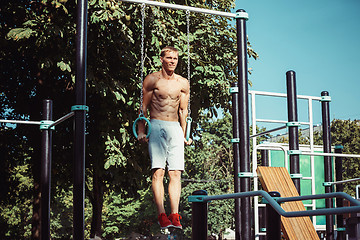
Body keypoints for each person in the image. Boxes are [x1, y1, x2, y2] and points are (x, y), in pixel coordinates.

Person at [137, 46, 192, 229]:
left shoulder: (182, 83)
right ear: (161, 59)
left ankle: (175, 215)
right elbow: (143, 108)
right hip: (156, 124)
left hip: (175, 127)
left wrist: (184, 135)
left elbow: (183, 110)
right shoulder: (152, 79)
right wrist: (141, 130)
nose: (172, 61)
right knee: (158, 171)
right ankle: (161, 214)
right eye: (168, 58)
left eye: (175, 58)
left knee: (175, 172)